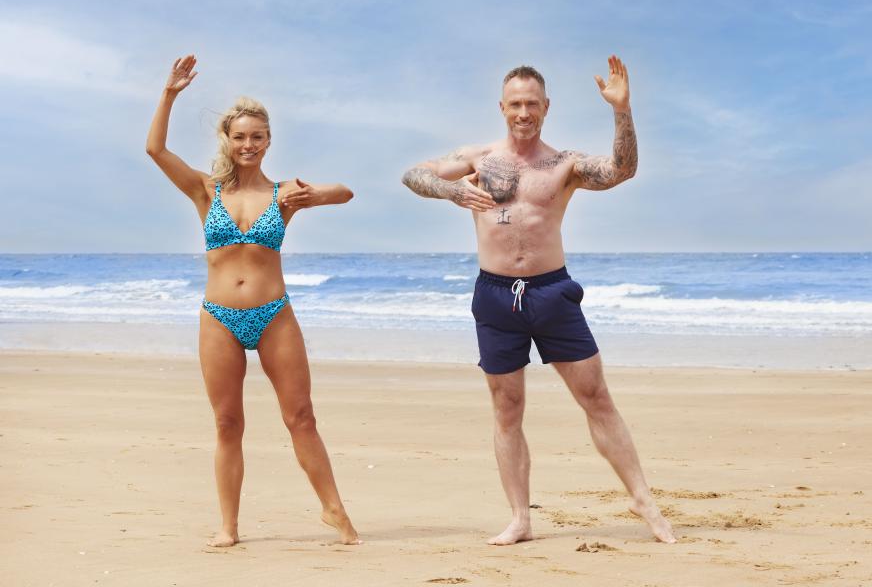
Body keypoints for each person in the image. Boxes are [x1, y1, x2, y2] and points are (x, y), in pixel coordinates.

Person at [402, 55, 675, 545]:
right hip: (495, 296)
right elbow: (414, 174)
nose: (523, 112)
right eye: (515, 104)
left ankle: (644, 501)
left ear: (546, 106)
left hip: (552, 293)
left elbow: (622, 169)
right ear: (502, 108)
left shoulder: (564, 163)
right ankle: (520, 519)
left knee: (596, 397)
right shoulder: (478, 158)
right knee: (507, 408)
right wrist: (452, 192)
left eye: (532, 104)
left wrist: (621, 110)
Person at [146, 55, 360, 547]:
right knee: (227, 423)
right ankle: (229, 527)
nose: (248, 145)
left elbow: (346, 192)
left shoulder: (285, 193)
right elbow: (155, 149)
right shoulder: (206, 190)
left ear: (268, 141)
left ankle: (335, 512)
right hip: (219, 318)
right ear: (228, 139)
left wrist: (314, 196)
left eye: (257, 137)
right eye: (240, 136)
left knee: (301, 417)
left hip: (273, 315)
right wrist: (170, 94)